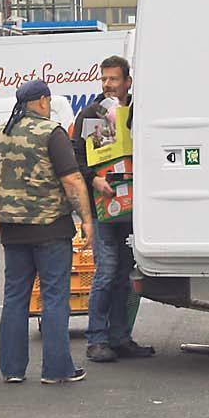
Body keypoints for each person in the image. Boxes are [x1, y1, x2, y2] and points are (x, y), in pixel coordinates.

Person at [0, 79, 95, 385]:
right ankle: (57, 369)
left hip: (12, 231)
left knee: (15, 297)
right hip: (50, 229)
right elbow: (72, 180)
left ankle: (12, 369)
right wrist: (86, 218)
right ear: (44, 101)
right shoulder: (51, 133)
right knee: (55, 296)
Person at [72, 56, 155, 363]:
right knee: (106, 272)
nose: (108, 84)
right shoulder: (94, 114)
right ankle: (96, 339)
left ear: (128, 82)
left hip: (134, 208)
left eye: (114, 79)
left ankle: (120, 338)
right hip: (105, 208)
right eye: (104, 79)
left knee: (125, 274)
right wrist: (94, 180)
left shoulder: (138, 112)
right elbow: (78, 159)